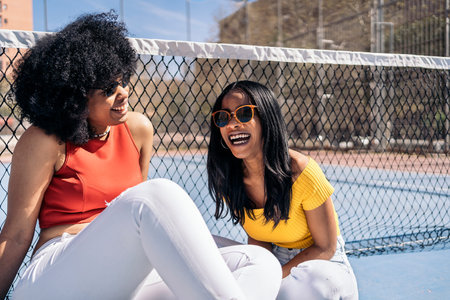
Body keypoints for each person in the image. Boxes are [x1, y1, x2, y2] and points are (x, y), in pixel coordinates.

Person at [0, 13, 282, 300]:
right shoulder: (43, 140)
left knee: (259, 261)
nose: (123, 93)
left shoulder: (137, 129)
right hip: (59, 273)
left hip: (126, 274)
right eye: (109, 89)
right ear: (75, 96)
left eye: (122, 81)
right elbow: (17, 234)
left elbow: (146, 222)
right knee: (156, 194)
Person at [207, 80, 358, 300]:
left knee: (311, 285)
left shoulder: (302, 171)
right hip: (273, 260)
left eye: (244, 114)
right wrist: (261, 271)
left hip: (320, 265)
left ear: (266, 119)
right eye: (224, 117)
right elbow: (259, 238)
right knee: (199, 246)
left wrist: (268, 280)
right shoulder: (227, 177)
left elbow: (325, 248)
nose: (233, 124)